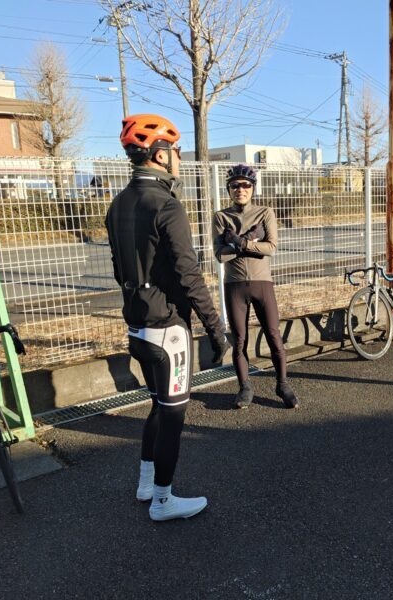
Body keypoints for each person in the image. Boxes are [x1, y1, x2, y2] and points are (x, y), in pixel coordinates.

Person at [105, 113, 229, 521]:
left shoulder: (118, 204)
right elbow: (188, 275)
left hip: (137, 325)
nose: (178, 157)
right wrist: (216, 329)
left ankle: (146, 485)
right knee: (173, 413)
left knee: (158, 406)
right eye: (176, 150)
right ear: (159, 155)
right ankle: (163, 500)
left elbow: (119, 268)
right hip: (167, 330)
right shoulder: (167, 206)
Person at [212, 164, 299, 410]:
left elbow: (271, 248)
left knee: (273, 335)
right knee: (239, 340)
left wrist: (240, 242)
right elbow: (220, 255)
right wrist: (251, 240)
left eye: (246, 185)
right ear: (229, 189)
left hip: (263, 284)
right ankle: (245, 387)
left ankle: (282, 385)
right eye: (235, 185)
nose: (240, 189)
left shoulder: (265, 213)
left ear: (253, 188)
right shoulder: (221, 217)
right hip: (234, 286)